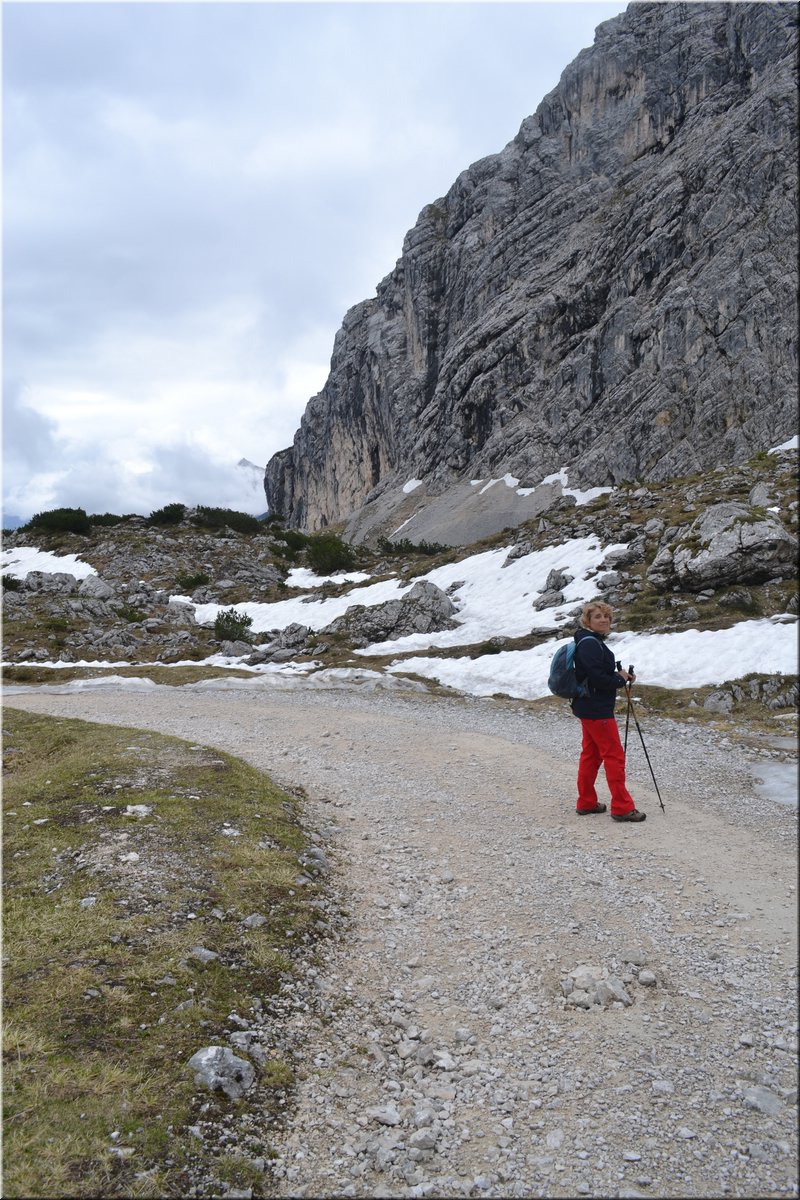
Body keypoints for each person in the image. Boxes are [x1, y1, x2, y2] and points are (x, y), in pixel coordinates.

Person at [571, 600, 646, 822]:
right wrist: (619, 678)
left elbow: (595, 675)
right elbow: (599, 679)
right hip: (597, 709)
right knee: (613, 756)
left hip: (587, 706)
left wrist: (618, 676)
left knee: (591, 756)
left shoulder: (587, 641)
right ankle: (622, 807)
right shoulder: (590, 644)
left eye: (606, 616)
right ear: (588, 620)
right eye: (597, 617)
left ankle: (586, 802)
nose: (603, 620)